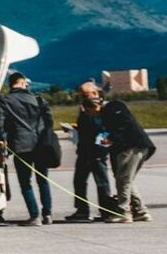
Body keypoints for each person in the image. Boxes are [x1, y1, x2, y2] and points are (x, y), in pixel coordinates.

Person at [0, 72, 57, 224]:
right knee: (43, 180)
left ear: (11, 84)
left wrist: (3, 140)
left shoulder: (6, 100)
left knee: (25, 182)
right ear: (24, 83)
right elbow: (49, 121)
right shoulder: (38, 99)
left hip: (20, 145)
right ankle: (47, 213)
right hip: (41, 144)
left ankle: (34, 215)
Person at [99, 88, 157, 223]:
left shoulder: (114, 106)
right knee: (126, 179)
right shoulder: (101, 116)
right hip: (128, 148)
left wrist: (110, 138)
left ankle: (123, 211)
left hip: (133, 146)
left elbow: (124, 124)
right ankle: (140, 210)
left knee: (123, 179)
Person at [64, 82, 116, 221]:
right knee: (79, 181)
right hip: (84, 150)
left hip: (97, 150)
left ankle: (106, 209)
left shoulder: (103, 108)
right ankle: (82, 210)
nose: (83, 98)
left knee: (101, 181)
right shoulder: (84, 108)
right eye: (82, 95)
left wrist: (101, 148)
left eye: (85, 95)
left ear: (95, 93)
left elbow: (105, 129)